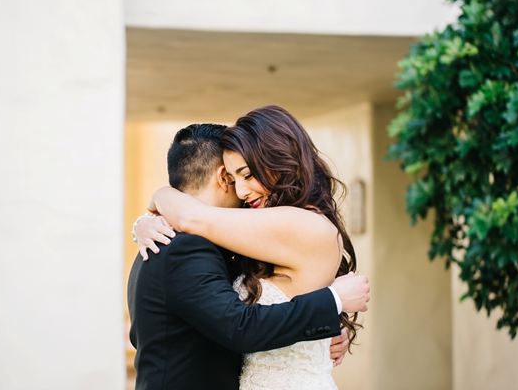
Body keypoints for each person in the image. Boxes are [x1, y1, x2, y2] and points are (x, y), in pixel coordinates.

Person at [133, 105, 369, 389]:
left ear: (279, 162)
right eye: (234, 179)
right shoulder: (201, 243)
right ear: (222, 176)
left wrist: (160, 197)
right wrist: (329, 307)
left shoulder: (302, 224)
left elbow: (241, 324)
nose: (242, 192)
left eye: (246, 175)